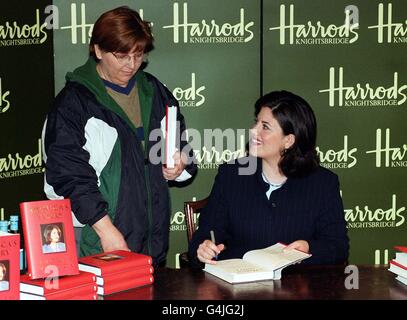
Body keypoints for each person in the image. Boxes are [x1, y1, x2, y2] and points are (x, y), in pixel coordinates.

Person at [43, 6, 196, 266]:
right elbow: (69, 175)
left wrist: (181, 163)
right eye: (122, 55)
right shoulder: (73, 103)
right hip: (98, 236)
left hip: (152, 238)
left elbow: (180, 141)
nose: (131, 64)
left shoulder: (154, 90)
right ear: (98, 50)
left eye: (138, 55)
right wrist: (106, 231)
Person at [189, 90, 349, 266]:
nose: (253, 130)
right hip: (239, 288)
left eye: (265, 127)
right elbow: (205, 234)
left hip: (297, 287)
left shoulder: (323, 183)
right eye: (256, 122)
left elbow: (337, 247)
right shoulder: (231, 175)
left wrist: (308, 247)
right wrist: (203, 248)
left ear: (288, 141)